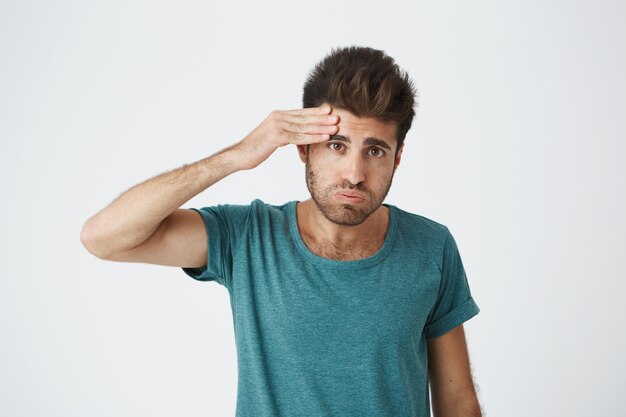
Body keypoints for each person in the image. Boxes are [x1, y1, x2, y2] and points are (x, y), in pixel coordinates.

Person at [80, 45, 482, 417]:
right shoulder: (248, 237)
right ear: (304, 148)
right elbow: (103, 237)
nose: (355, 175)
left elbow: (458, 400)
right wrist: (237, 156)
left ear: (397, 160)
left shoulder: (432, 246)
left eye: (375, 151)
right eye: (336, 146)